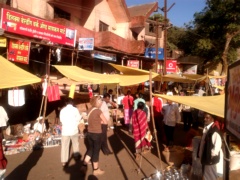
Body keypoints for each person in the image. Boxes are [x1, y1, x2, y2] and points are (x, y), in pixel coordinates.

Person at [81, 96, 108, 176]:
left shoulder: (89, 110)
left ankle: (84, 166)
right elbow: (105, 122)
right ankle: (96, 169)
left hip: (89, 133)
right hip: (97, 134)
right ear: (97, 102)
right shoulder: (98, 111)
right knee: (96, 151)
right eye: (100, 102)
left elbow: (91, 119)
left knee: (90, 149)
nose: (101, 103)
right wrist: (100, 122)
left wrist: (97, 121)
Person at [198, 113, 223, 180]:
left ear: (212, 119)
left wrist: (210, 157)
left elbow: (217, 147)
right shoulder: (207, 128)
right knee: (206, 176)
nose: (204, 119)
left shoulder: (214, 131)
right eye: (204, 117)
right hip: (205, 158)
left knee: (210, 177)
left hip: (210, 160)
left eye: (207, 118)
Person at [60, 98, 82, 167]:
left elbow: (61, 120)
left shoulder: (62, 110)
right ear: (72, 103)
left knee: (64, 146)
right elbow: (78, 118)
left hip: (65, 131)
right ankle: (76, 156)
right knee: (75, 144)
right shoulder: (75, 110)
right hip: (74, 130)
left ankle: (64, 161)